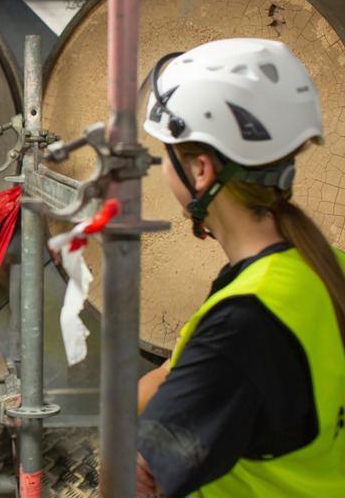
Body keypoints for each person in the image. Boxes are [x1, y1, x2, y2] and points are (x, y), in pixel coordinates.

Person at [135, 38, 345, 497]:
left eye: (164, 155)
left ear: (202, 172)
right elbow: (178, 377)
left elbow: (136, 477)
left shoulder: (245, 320)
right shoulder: (323, 268)